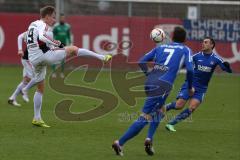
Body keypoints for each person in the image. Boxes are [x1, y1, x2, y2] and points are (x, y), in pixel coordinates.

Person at [21, 6, 112, 128]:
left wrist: (44, 47)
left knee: (40, 87)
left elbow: (27, 39)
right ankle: (102, 57)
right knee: (73, 49)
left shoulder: (32, 25)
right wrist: (57, 43)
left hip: (34, 59)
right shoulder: (43, 24)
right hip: (44, 56)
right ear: (47, 16)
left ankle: (36, 117)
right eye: (53, 17)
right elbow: (42, 37)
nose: (54, 20)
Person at [112, 27, 194, 156]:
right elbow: (190, 70)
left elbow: (141, 61)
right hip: (163, 85)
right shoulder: (186, 50)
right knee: (145, 116)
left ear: (171, 37)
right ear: (185, 39)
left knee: (160, 110)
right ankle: (120, 143)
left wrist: (148, 74)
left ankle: (149, 139)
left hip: (150, 82)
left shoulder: (161, 47)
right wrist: (189, 88)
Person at [164, 37, 232, 132]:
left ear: (211, 45)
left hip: (202, 88)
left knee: (192, 108)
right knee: (179, 105)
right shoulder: (196, 56)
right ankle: (162, 108)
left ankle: (171, 124)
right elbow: (184, 64)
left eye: (206, 42)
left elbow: (228, 70)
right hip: (190, 84)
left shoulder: (216, 59)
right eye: (203, 42)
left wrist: (227, 66)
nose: (203, 44)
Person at [8, 31, 32, 106]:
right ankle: (24, 90)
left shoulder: (41, 32)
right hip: (27, 59)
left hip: (29, 59)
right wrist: (20, 49)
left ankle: (12, 98)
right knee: (33, 78)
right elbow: (20, 36)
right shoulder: (35, 31)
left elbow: (20, 36)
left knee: (26, 80)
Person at [52, 14, 72, 78]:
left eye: (63, 18)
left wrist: (70, 43)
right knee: (54, 58)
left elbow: (68, 35)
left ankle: (61, 72)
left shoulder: (67, 26)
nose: (62, 19)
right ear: (59, 19)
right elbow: (52, 34)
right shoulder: (56, 26)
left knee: (63, 59)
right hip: (57, 43)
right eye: (61, 18)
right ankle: (54, 72)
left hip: (64, 44)